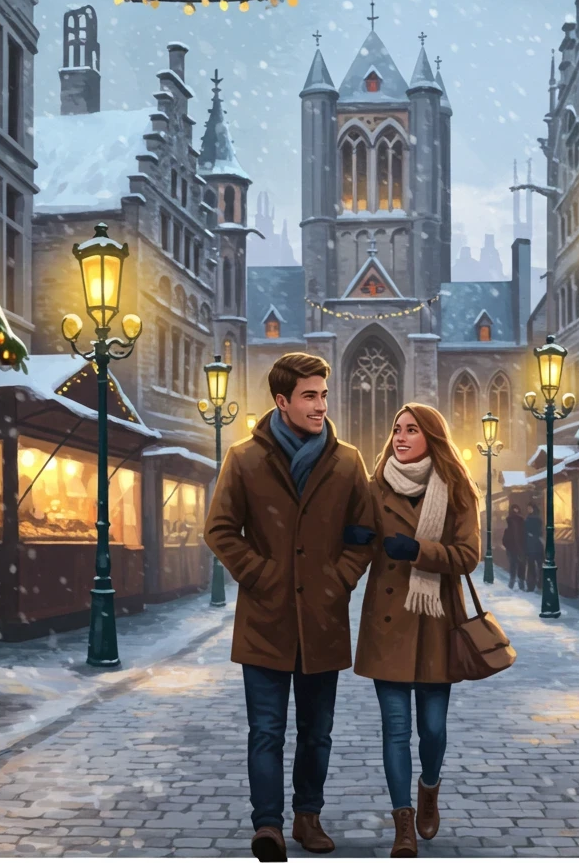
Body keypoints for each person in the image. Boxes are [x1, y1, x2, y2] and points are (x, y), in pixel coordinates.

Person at [205, 352, 377, 862]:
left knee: (316, 733)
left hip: (322, 618)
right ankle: (268, 826)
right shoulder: (244, 458)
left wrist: (338, 581)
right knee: (266, 732)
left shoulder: (347, 461)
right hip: (265, 619)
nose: (321, 405)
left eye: (323, 395)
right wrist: (262, 575)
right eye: (309, 396)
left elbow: (364, 534)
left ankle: (308, 816)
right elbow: (219, 530)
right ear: (282, 401)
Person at [354, 403, 482, 857]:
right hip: (387, 622)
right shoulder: (375, 487)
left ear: (432, 436)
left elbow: (468, 555)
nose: (401, 437)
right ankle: (403, 822)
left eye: (411, 429)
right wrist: (354, 539)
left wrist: (419, 551)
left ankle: (429, 787)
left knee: (432, 729)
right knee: (395, 728)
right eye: (396, 429)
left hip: (435, 622)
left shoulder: (457, 488)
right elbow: (363, 542)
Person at [503, 504, 526, 590]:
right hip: (517, 547)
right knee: (519, 565)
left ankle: (513, 583)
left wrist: (507, 545)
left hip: (514, 547)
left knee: (514, 565)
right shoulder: (520, 521)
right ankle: (519, 583)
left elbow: (506, 536)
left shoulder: (510, 521)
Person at [523, 504, 543, 593]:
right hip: (533, 545)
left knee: (535, 566)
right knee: (534, 566)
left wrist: (531, 534)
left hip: (534, 545)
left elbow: (538, 532)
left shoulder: (533, 519)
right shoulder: (531, 518)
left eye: (530, 508)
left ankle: (533, 585)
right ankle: (535, 585)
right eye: (528, 508)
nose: (529, 510)